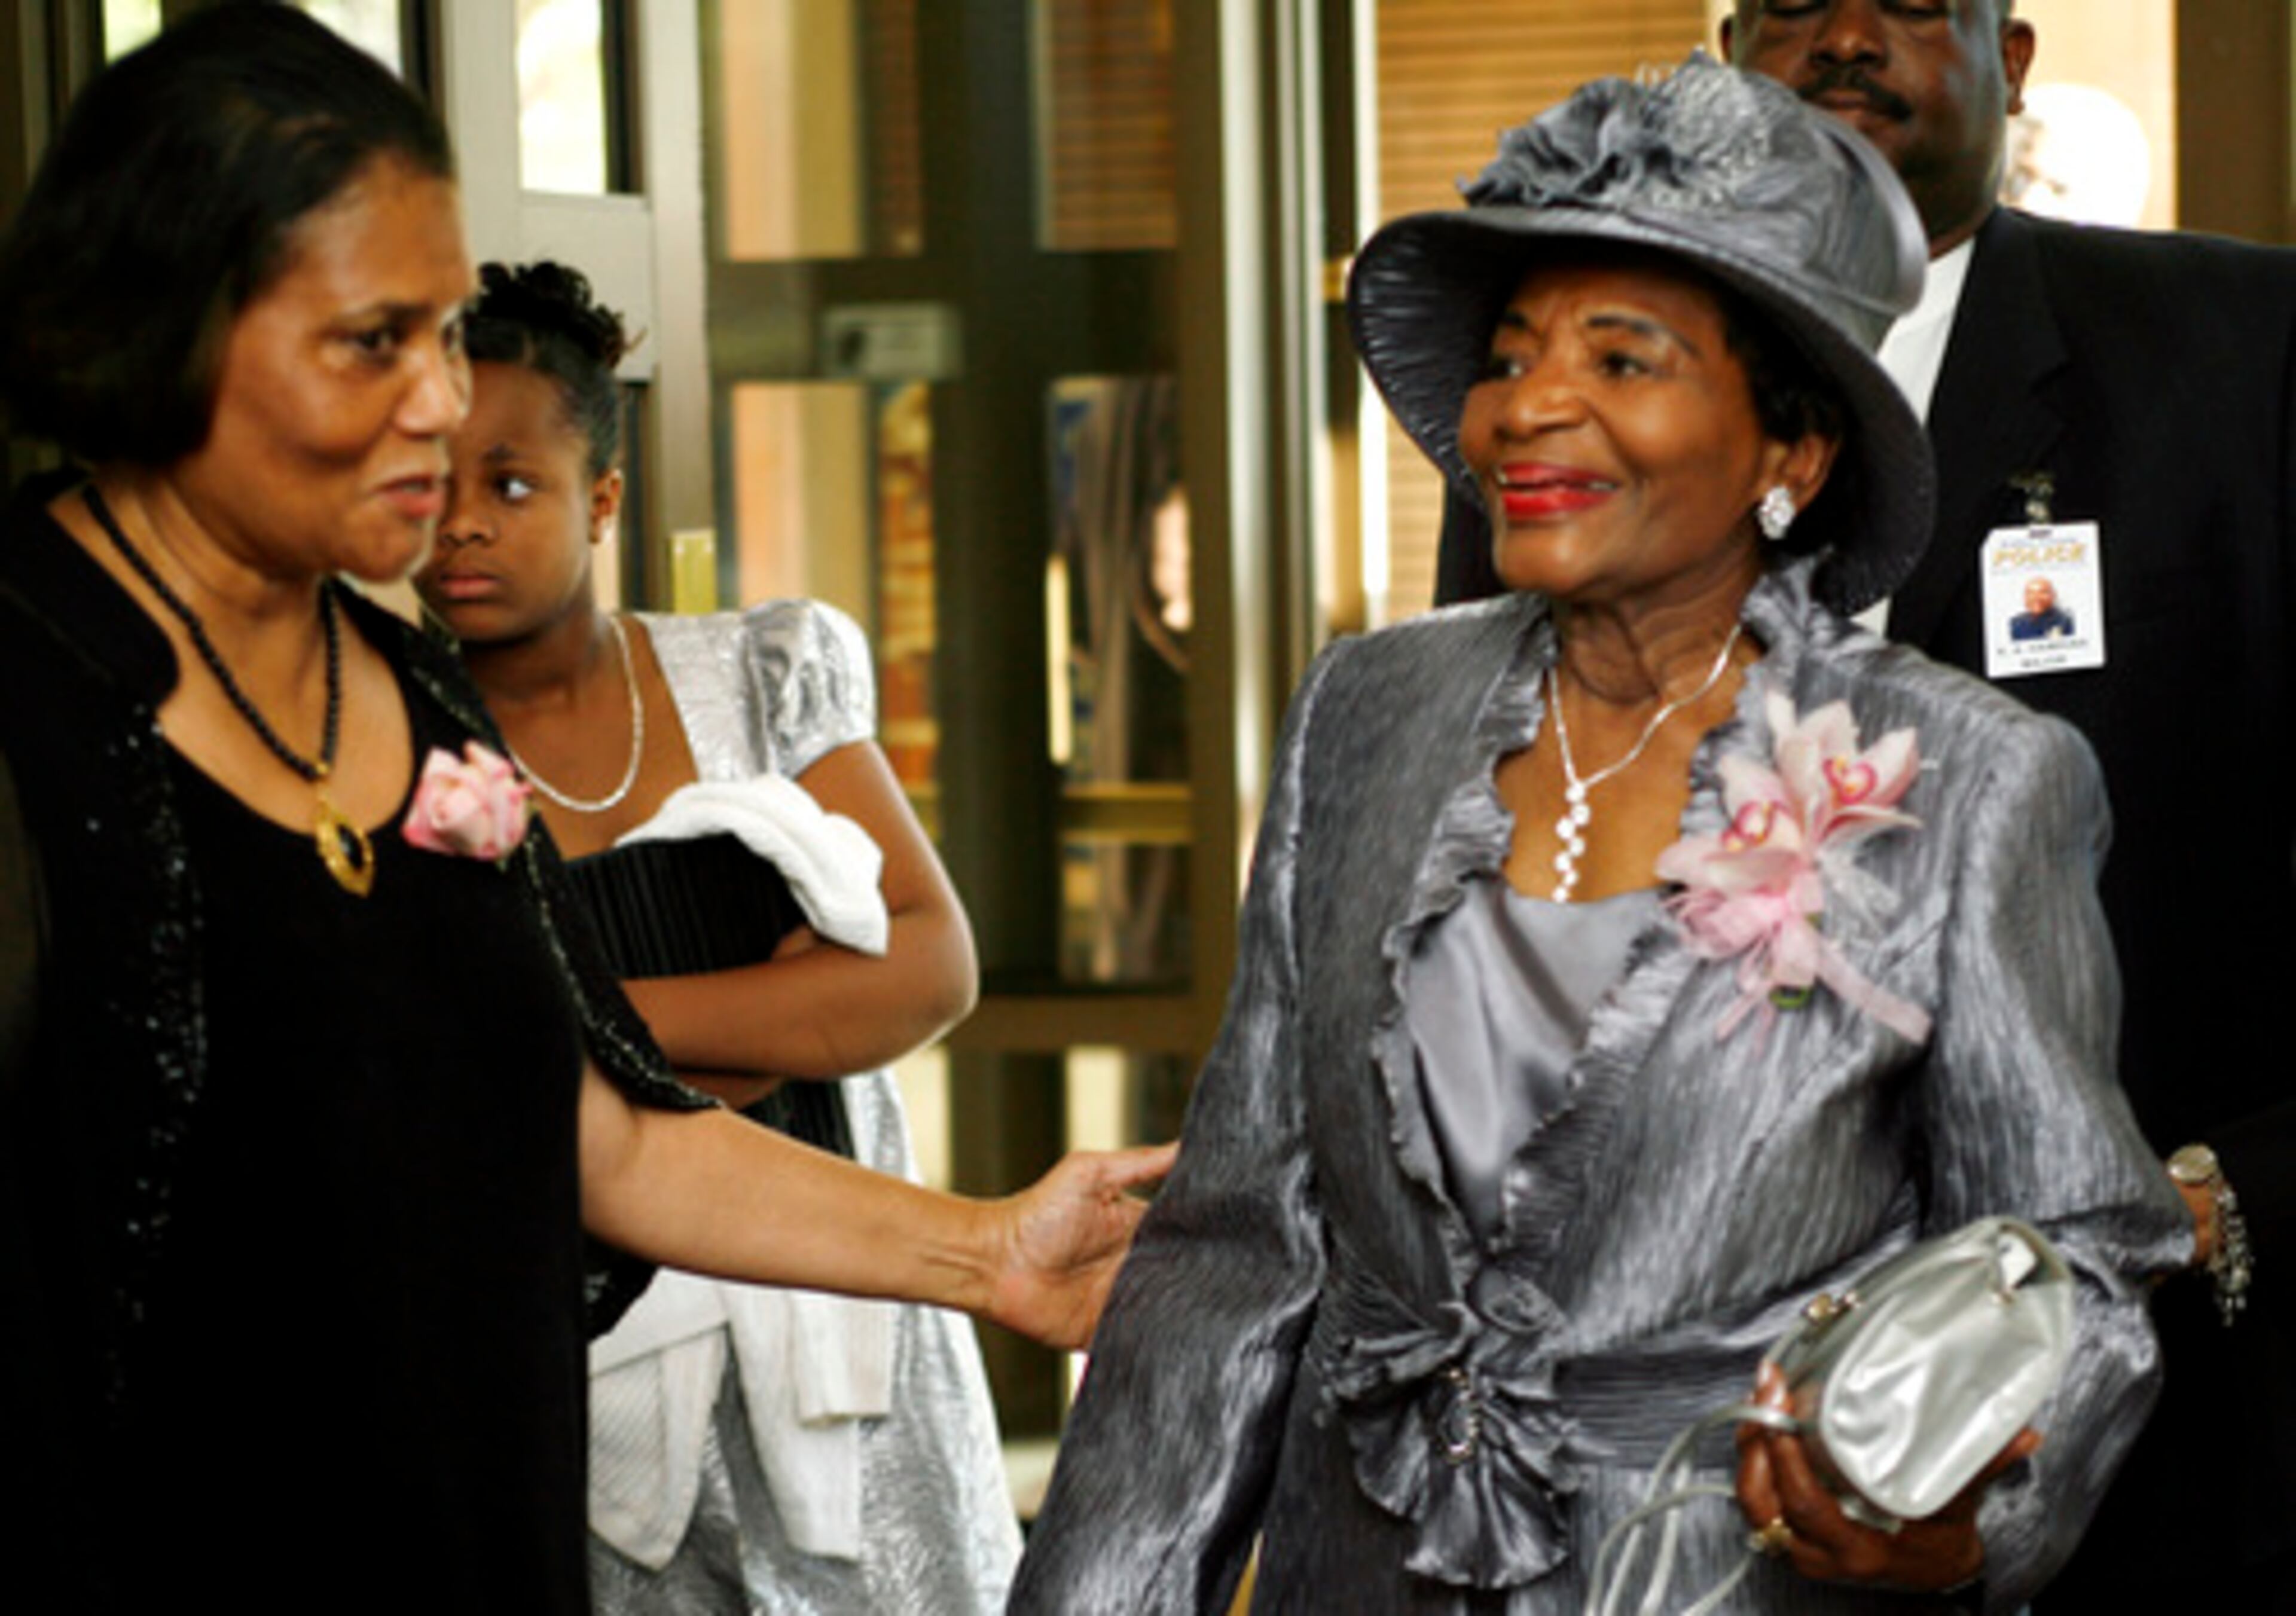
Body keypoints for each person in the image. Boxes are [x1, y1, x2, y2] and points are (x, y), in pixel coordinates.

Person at [0, 12, 1164, 1611]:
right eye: (373, 340)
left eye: (446, 332)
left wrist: (988, 1249)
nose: (435, 403)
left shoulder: (408, 694)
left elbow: (596, 1123)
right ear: (168, 327)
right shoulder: (28, 688)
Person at [1013, 57, 2185, 1614]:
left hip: (1730, 1578)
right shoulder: (1371, 708)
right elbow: (1237, 1238)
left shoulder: (1963, 778)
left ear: (1793, 452)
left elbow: (2079, 1242)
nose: (1528, 409)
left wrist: (1974, 1521)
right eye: (1510, 358)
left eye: (1623, 359)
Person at [1445, 10, 2296, 1602]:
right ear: (1724, 55)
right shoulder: (1575, 401)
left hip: (2163, 1425)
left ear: (2016, 56)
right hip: (1653, 1456)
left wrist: (2222, 1193)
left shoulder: (2243, 352)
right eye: (1792, 6)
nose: (1844, 37)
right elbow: (1501, 873)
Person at [413, 260, 1021, 1612]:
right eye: (432, 482)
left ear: (603, 499)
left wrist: (593, 1025)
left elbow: (927, 966)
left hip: (845, 1341)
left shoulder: (757, 670)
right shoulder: (394, 735)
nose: (459, 526)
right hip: (591, 1363)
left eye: (508, 484)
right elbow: (450, 1067)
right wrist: (778, 1009)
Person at [2006, 576, 2070, 641]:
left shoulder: (2065, 621)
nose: (2036, 598)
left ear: (2053, 596)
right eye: (2031, 593)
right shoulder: (2016, 623)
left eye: (2043, 592)